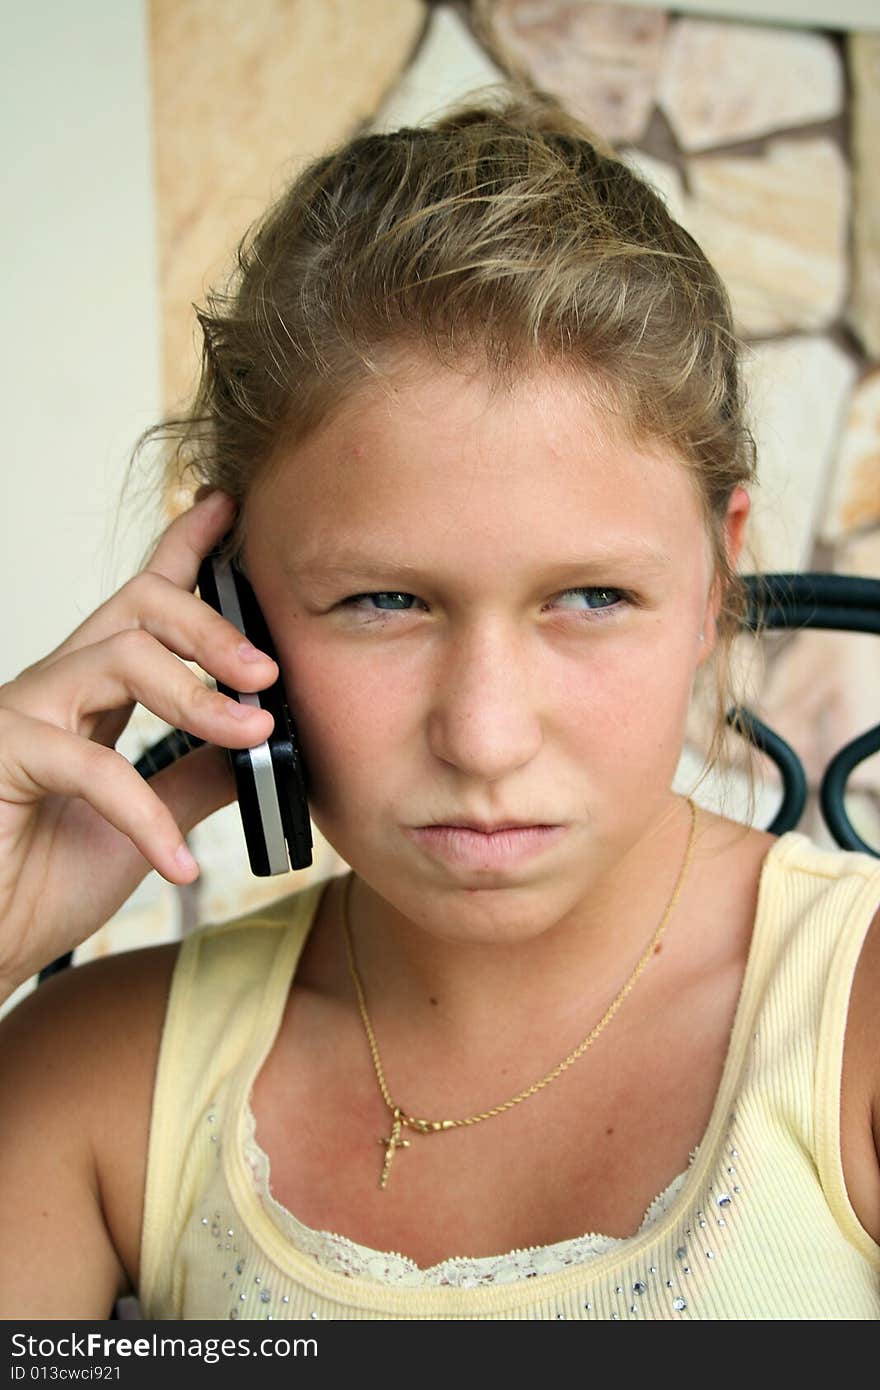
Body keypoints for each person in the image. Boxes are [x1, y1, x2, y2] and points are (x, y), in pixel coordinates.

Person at [1, 90, 878, 1323]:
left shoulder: (857, 1025)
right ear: (230, 599)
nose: (484, 735)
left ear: (714, 576)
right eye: (380, 602)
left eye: (589, 596)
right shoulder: (99, 1080)